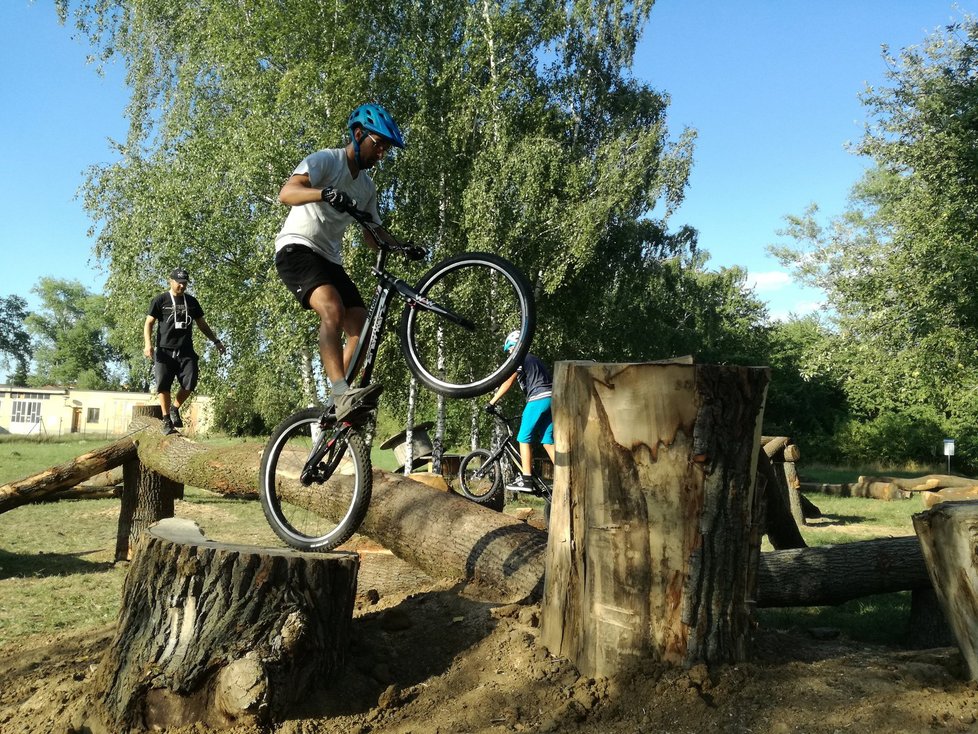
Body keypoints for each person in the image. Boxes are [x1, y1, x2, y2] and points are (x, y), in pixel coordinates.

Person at [274, 102, 408, 421]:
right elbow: (287, 192)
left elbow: (372, 233)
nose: (381, 155)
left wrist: (402, 247)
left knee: (362, 327)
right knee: (332, 308)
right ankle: (338, 390)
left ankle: (339, 402)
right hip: (296, 248)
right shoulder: (326, 160)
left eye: (386, 149)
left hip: (328, 259)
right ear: (358, 134)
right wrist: (323, 193)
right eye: (378, 145)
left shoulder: (366, 187)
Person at [144, 267, 226, 435]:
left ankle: (175, 408)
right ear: (171, 281)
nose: (182, 286)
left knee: (190, 383)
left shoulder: (192, 302)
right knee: (163, 386)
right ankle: (166, 419)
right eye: (179, 283)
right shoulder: (160, 300)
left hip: (186, 350)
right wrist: (148, 344)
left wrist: (216, 341)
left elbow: (202, 324)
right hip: (164, 351)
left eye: (185, 283)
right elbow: (149, 323)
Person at [486, 331, 555, 491]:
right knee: (547, 441)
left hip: (538, 398)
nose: (509, 353)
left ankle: (526, 480)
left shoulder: (520, 357)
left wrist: (492, 402)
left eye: (509, 349)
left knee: (523, 437)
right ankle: (566, 476)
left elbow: (508, 382)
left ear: (515, 345)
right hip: (552, 399)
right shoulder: (534, 358)